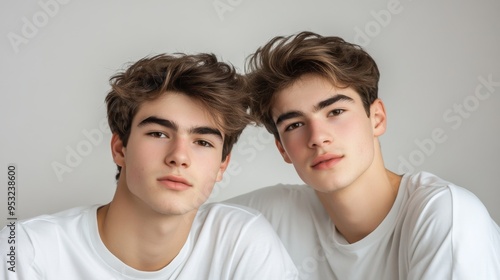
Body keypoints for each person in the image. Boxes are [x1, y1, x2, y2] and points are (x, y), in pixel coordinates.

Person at [226, 31, 500, 279]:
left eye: (335, 112)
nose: (317, 137)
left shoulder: (446, 214)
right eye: (295, 125)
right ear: (282, 149)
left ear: (377, 118)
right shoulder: (269, 216)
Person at [0, 53, 298, 279]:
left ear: (222, 166)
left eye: (203, 142)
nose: (179, 156)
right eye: (158, 134)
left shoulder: (241, 242)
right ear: (120, 149)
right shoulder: (26, 252)